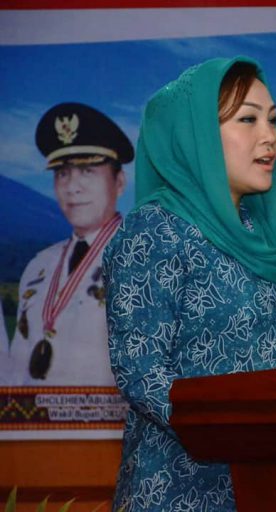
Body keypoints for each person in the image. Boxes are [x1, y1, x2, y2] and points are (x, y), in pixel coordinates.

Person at [103, 56, 276, 511]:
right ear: (194, 136)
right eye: (248, 119)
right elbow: (140, 370)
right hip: (180, 487)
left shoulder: (266, 235)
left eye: (273, 120)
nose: (269, 137)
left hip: (269, 484)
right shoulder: (156, 230)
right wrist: (234, 430)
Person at [0, 103, 133, 386]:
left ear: (119, 182)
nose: (72, 187)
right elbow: (16, 373)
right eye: (62, 173)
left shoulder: (143, 258)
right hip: (34, 413)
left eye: (87, 171)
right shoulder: (38, 267)